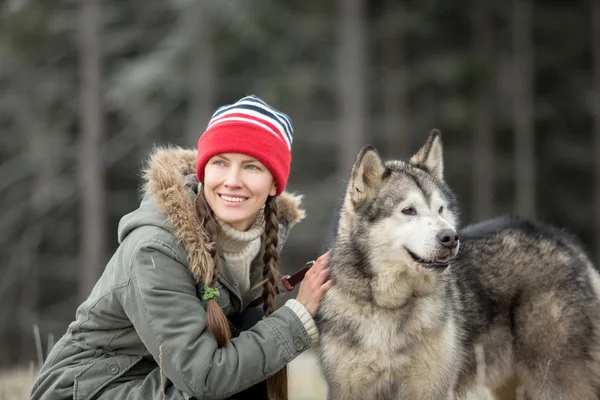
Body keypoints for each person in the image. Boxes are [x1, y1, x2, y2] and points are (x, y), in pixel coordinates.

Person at [30, 95, 333, 400]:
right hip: (83, 390)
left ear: (273, 185)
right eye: (220, 162)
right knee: (230, 370)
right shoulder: (155, 249)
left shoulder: (258, 239)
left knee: (248, 334)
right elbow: (206, 378)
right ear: (202, 171)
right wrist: (299, 315)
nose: (232, 181)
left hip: (152, 379)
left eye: (252, 167)